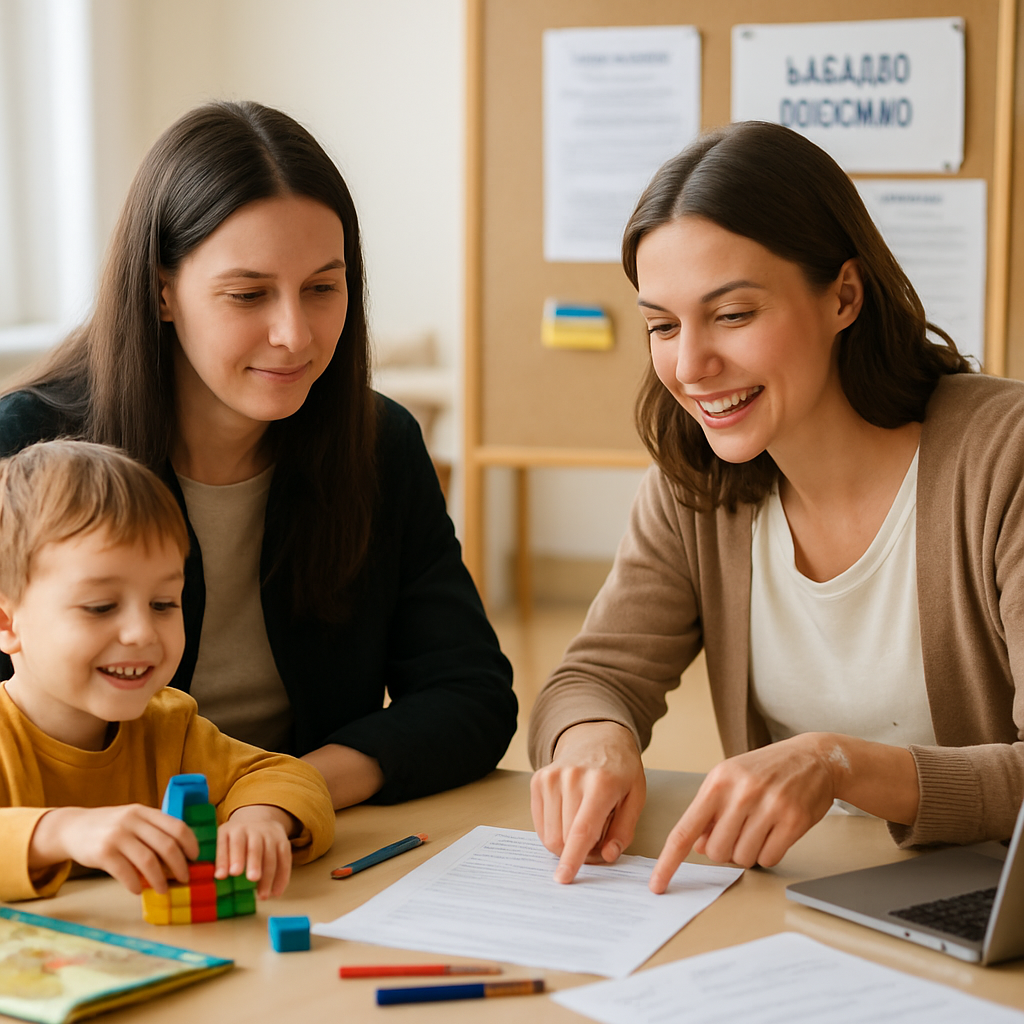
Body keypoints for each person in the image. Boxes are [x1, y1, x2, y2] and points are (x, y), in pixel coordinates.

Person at [528, 120, 1024, 892]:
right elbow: (597, 677)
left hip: (989, 906)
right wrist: (594, 740)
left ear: (844, 297)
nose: (690, 365)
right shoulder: (695, 484)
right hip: (805, 901)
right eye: (662, 324)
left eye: (732, 315)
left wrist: (839, 763)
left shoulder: (1003, 460)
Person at [0, 100, 517, 811]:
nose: (294, 335)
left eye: (322, 289)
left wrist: (278, 796)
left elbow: (470, 695)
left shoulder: (379, 444)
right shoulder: (25, 448)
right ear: (162, 291)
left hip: (287, 845)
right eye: (248, 294)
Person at [0, 439, 335, 903]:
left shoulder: (169, 725)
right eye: (100, 607)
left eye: (163, 603)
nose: (141, 632)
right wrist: (60, 830)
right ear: (7, 622)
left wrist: (260, 819)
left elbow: (290, 776)